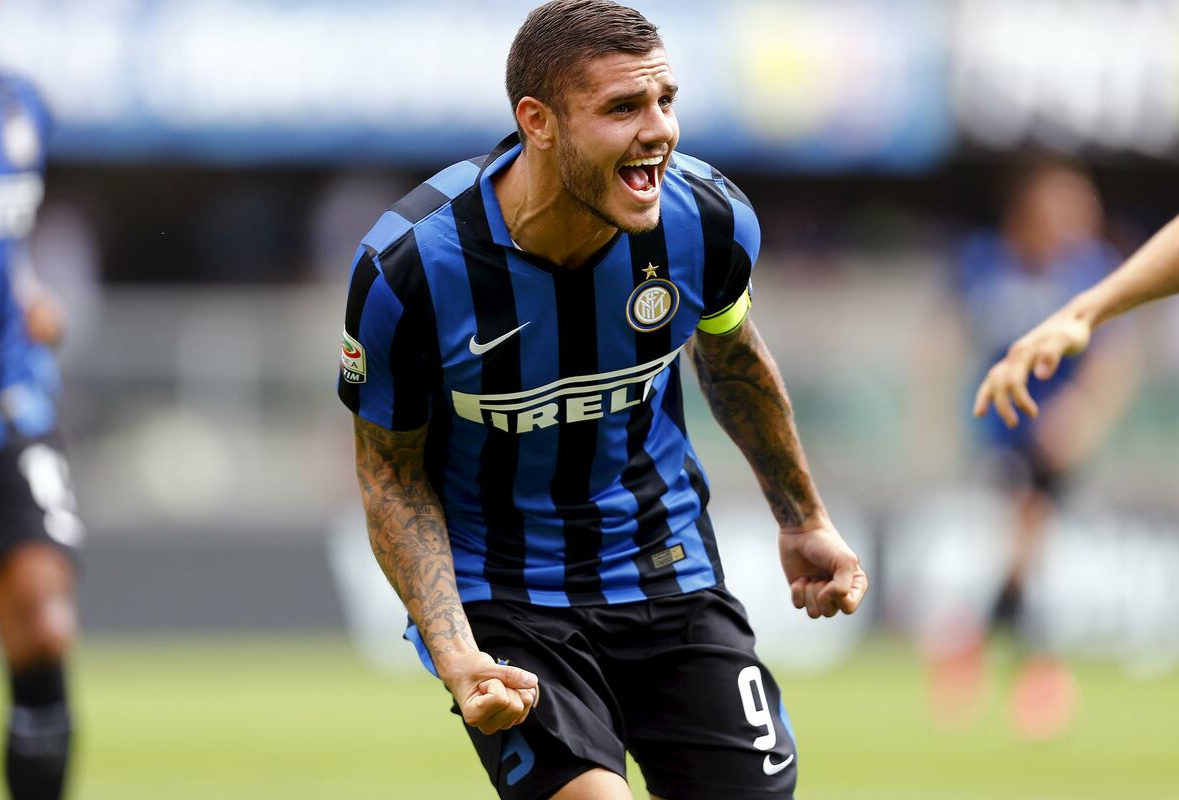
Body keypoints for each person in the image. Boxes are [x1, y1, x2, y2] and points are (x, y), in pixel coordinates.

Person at [337, 2, 867, 798]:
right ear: (538, 122)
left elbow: (732, 360)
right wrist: (457, 655)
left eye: (666, 101)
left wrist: (802, 518)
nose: (659, 131)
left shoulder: (707, 223)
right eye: (623, 108)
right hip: (504, 593)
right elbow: (391, 475)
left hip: (667, 566)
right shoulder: (408, 271)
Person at [931, 162, 1137, 738]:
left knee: (1026, 549)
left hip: (1058, 437)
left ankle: (978, 647)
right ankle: (1032, 670)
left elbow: (1116, 355)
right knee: (1024, 542)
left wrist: (1084, 415)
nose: (1079, 221)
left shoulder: (1090, 270)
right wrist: (940, 406)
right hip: (1000, 429)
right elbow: (945, 331)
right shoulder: (984, 262)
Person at [0, 1, 83, 796]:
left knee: (44, 627)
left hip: (5, 405)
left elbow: (7, 246)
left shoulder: (19, 106)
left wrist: (26, 294)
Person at [975, 213, 1179, 426]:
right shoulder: (986, 260)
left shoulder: (1093, 266)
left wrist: (1082, 410)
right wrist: (1079, 315)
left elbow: (1118, 355)